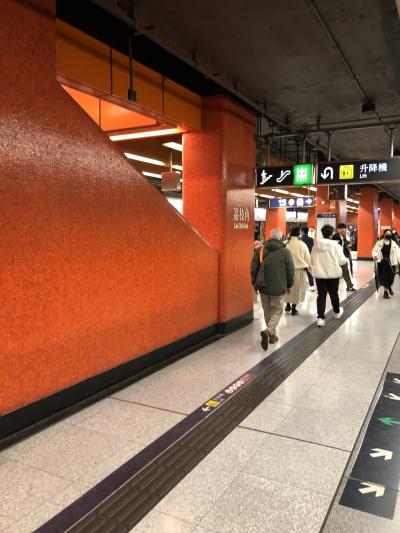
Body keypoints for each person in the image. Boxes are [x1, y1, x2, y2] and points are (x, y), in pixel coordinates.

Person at [251, 228, 294, 350]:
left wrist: (255, 284)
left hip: (263, 286)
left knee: (267, 311)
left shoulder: (260, 250)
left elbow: (253, 269)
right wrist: (290, 284)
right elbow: (290, 270)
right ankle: (269, 331)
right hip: (279, 287)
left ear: (269, 237)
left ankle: (272, 336)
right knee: (278, 309)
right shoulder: (285, 252)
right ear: (281, 238)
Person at [310, 224, 347, 327]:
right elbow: (342, 260)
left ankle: (320, 318)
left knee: (321, 295)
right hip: (333, 274)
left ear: (322, 233)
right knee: (333, 294)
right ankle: (336, 312)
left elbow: (311, 260)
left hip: (319, 275)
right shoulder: (336, 246)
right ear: (331, 233)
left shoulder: (315, 246)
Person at [284, 226, 311, 315]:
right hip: (299, 270)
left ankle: (287, 305)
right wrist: (311, 270)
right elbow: (308, 258)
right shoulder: (302, 244)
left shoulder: (285, 243)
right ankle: (294, 309)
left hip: (286, 270)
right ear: (299, 233)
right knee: (296, 289)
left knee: (288, 288)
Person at [372, 230, 400, 299]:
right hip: (382, 262)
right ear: (384, 235)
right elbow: (374, 250)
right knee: (385, 277)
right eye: (387, 234)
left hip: (391, 263)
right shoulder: (379, 243)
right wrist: (374, 255)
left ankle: (389, 287)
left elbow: (398, 253)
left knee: (391, 278)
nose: (388, 235)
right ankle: (386, 292)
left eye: (390, 234)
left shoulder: (393, 243)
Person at [332, 223, 356, 291]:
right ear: (338, 229)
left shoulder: (343, 236)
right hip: (336, 258)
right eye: (341, 228)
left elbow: (344, 245)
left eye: (344, 228)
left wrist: (347, 248)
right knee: (336, 273)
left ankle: (349, 286)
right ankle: (332, 287)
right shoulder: (335, 236)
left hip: (342, 257)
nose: (343, 230)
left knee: (346, 271)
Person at [301, 226, 315, 290]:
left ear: (302, 232)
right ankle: (312, 285)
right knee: (309, 272)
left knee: (301, 272)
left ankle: (302, 285)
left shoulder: (300, 239)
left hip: (302, 257)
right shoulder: (311, 239)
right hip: (310, 257)